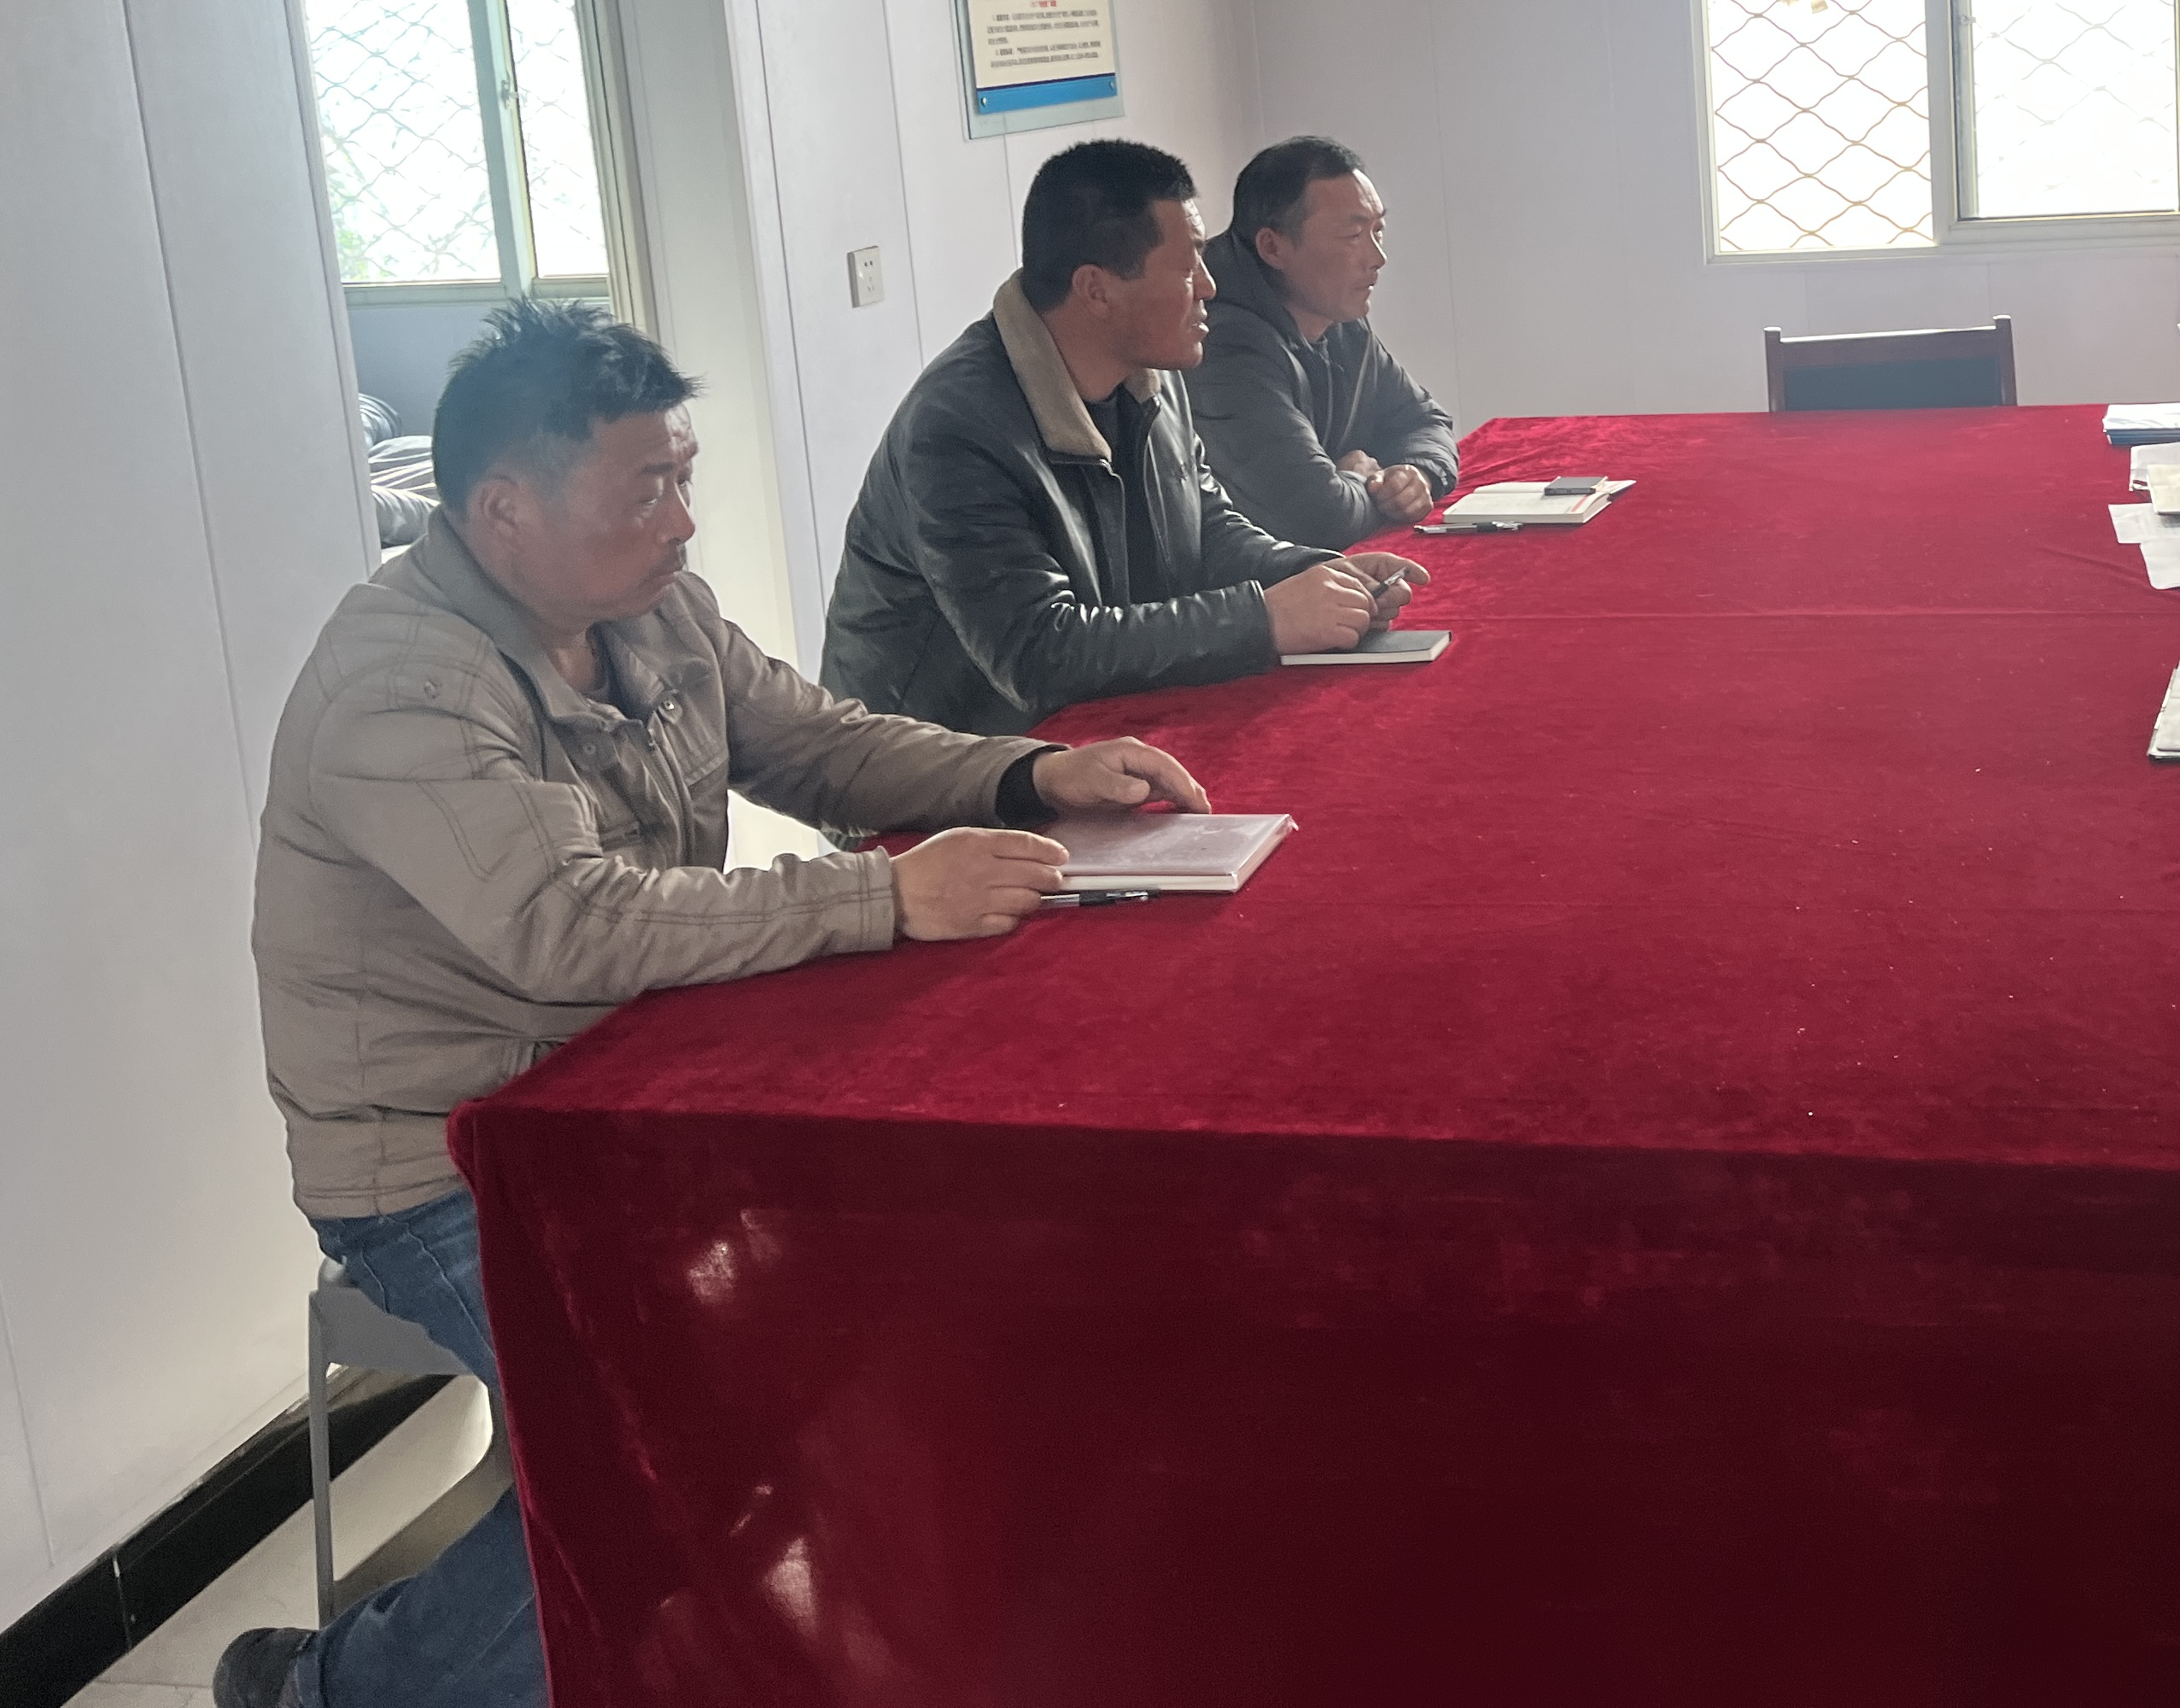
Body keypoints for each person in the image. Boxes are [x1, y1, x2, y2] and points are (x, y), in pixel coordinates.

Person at [223, 301, 1207, 1708]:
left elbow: (820, 745)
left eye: (685, 476)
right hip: (443, 1157)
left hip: (638, 1092)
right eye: (646, 489)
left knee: (891, 1297)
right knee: (674, 1450)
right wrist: (881, 895)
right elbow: (568, 924)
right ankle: (341, 1689)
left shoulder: (650, 607)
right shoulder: (404, 679)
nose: (684, 521)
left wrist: (1022, 774)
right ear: (503, 511)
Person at [822, 140, 1427, 733]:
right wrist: (1263, 619)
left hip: (1084, 729)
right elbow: (1038, 654)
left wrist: (1318, 574)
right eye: (1187, 267)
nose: (1209, 286)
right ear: (1096, 290)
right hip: (940, 765)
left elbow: (1207, 534)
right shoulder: (956, 429)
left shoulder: (1153, 372)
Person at [1189, 137, 1459, 544]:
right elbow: (1317, 516)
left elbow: (1423, 420)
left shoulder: (1337, 317)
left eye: (1378, 231)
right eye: (1353, 236)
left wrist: (1416, 474)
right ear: (1273, 247)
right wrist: (1358, 480)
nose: (1377, 258)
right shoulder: (1222, 344)